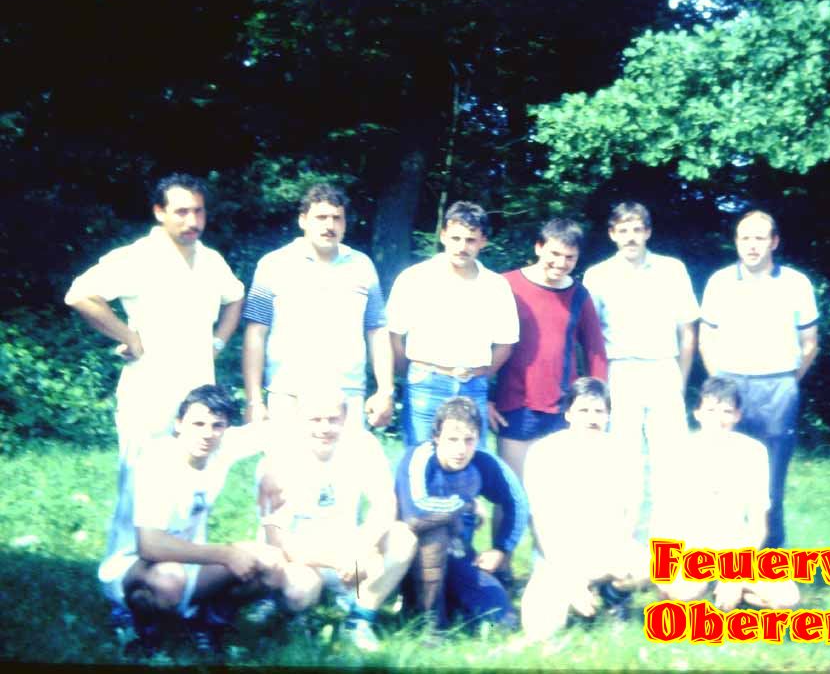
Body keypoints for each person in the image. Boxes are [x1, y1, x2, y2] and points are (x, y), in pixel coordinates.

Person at [66, 173, 245, 626]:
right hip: (149, 396)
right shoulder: (137, 258)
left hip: (199, 402)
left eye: (198, 211)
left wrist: (219, 342)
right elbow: (80, 295)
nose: (192, 220)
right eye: (181, 211)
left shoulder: (211, 261)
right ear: (159, 212)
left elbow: (236, 297)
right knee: (136, 494)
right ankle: (120, 589)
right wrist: (128, 337)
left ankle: (186, 586)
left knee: (194, 491)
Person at [98, 385, 285, 655]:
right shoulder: (155, 462)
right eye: (198, 424)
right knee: (169, 580)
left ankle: (210, 620)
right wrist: (225, 554)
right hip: (133, 566)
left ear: (226, 428)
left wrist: (272, 469)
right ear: (178, 424)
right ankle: (142, 625)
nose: (207, 434)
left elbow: (281, 431)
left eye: (217, 426)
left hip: (191, 560)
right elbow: (150, 546)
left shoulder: (221, 446)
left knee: (272, 563)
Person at [257, 390, 417, 652]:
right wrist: (337, 560)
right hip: (301, 559)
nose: (325, 428)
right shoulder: (278, 456)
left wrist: (362, 548)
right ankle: (290, 615)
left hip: (349, 552)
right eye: (315, 420)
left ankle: (359, 619)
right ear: (299, 419)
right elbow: (278, 540)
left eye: (333, 419)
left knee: (403, 539)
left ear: (345, 416)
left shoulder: (363, 444)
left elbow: (385, 505)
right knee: (300, 591)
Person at [698, 210, 819, 548]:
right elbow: (706, 339)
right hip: (729, 389)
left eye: (760, 238)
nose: (752, 245)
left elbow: (810, 344)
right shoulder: (719, 282)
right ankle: (716, 557)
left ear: (774, 242)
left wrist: (787, 381)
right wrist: (721, 388)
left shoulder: (797, 284)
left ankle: (769, 562)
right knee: (721, 479)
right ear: (736, 242)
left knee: (770, 486)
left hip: (777, 389)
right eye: (745, 238)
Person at [582, 202, 700, 542]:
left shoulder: (672, 270)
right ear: (612, 234)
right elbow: (589, 336)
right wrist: (599, 384)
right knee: (623, 461)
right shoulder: (597, 276)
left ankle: (669, 542)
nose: (630, 237)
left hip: (664, 368)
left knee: (671, 459)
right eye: (623, 230)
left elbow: (687, 331)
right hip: (619, 372)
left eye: (636, 229)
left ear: (647, 231)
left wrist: (680, 380)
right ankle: (623, 542)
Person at [241, 183, 393, 430]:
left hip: (348, 395)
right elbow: (255, 333)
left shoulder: (362, 266)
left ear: (345, 224)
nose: (329, 225)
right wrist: (254, 400)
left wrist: (385, 390)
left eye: (337, 218)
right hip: (287, 393)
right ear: (303, 220)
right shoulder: (273, 265)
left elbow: (377, 330)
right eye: (321, 217)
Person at [650, 377, 800, 609]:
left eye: (726, 411)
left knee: (787, 597)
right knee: (683, 591)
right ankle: (707, 595)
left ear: (737, 415)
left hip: (735, 553)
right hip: (691, 552)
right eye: (710, 410)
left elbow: (758, 526)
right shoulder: (678, 452)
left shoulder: (754, 452)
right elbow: (663, 520)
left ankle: (736, 596)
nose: (718, 419)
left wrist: (736, 574)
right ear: (697, 413)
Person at [519, 377, 649, 642]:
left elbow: (631, 515)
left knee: (650, 565)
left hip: (608, 551)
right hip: (558, 556)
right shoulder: (543, 453)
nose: (592, 419)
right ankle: (579, 598)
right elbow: (539, 524)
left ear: (608, 415)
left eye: (599, 411)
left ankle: (613, 598)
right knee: (540, 630)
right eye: (583, 410)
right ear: (568, 413)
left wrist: (618, 555)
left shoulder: (624, 453)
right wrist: (569, 577)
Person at [386, 201, 519, 448]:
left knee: (471, 460)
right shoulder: (415, 278)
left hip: (473, 387)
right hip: (425, 384)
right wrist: (413, 372)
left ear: (483, 242)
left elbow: (505, 344)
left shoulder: (496, 286)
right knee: (420, 458)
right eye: (456, 238)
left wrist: (478, 374)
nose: (462, 247)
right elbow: (393, 336)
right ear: (443, 235)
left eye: (470, 240)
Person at [394, 397, 528, 631]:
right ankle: (429, 624)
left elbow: (517, 502)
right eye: (452, 440)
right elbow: (416, 512)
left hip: (458, 554)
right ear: (436, 437)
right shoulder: (419, 457)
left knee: (502, 619)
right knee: (435, 531)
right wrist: (465, 506)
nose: (461, 449)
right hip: (410, 556)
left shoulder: (483, 462)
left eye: (468, 440)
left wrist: (501, 549)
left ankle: (450, 606)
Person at [490, 218, 607, 481]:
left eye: (570, 257)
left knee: (559, 490)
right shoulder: (506, 285)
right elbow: (481, 345)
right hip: (515, 404)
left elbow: (596, 351)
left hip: (565, 408)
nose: (561, 263)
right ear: (538, 247)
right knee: (515, 492)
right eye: (554, 253)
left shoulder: (579, 295)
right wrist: (484, 397)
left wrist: (596, 403)